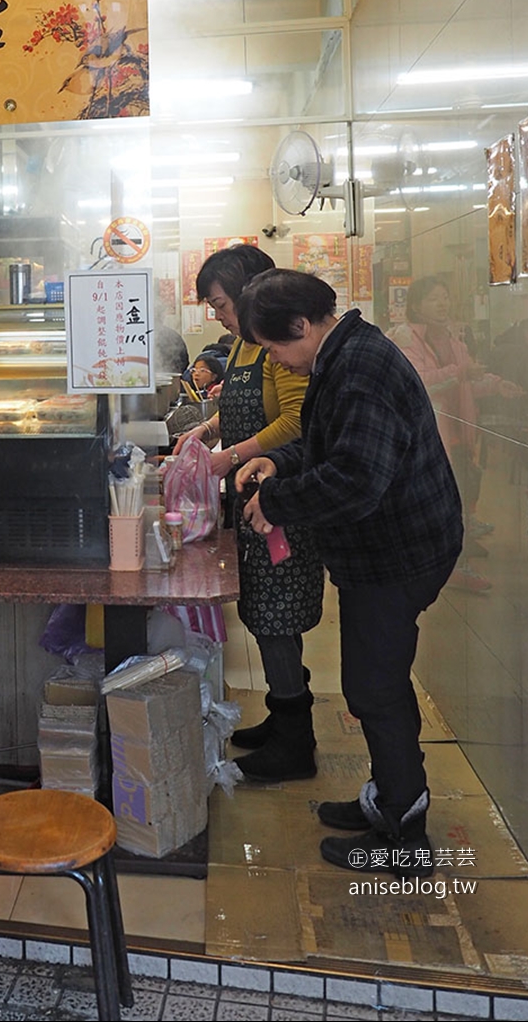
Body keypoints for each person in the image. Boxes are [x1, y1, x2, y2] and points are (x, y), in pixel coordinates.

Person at [233, 269, 463, 869]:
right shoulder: (342, 355)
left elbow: (356, 480)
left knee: (375, 688)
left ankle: (405, 836)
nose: (278, 362)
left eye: (278, 346)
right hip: (387, 547)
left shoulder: (359, 369)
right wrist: (276, 464)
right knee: (378, 680)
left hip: (399, 552)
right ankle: (391, 798)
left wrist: (276, 503)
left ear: (303, 325)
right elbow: (323, 443)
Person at [176, 246, 324, 783]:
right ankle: (284, 716)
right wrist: (207, 430)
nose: (217, 316)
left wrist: (227, 457)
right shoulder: (242, 346)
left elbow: (294, 421)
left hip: (279, 501)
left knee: (277, 614)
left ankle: (295, 743)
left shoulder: (276, 345)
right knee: (263, 612)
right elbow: (241, 409)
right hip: (251, 494)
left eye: (220, 304)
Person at [388, 276, 522, 594]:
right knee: (440, 503)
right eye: (434, 298)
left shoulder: (455, 341)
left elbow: (466, 381)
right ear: (417, 306)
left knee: (463, 490)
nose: (442, 304)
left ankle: (452, 559)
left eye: (445, 297)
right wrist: (460, 372)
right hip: (428, 435)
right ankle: (448, 564)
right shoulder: (406, 340)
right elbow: (420, 383)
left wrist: (495, 384)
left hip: (459, 431)